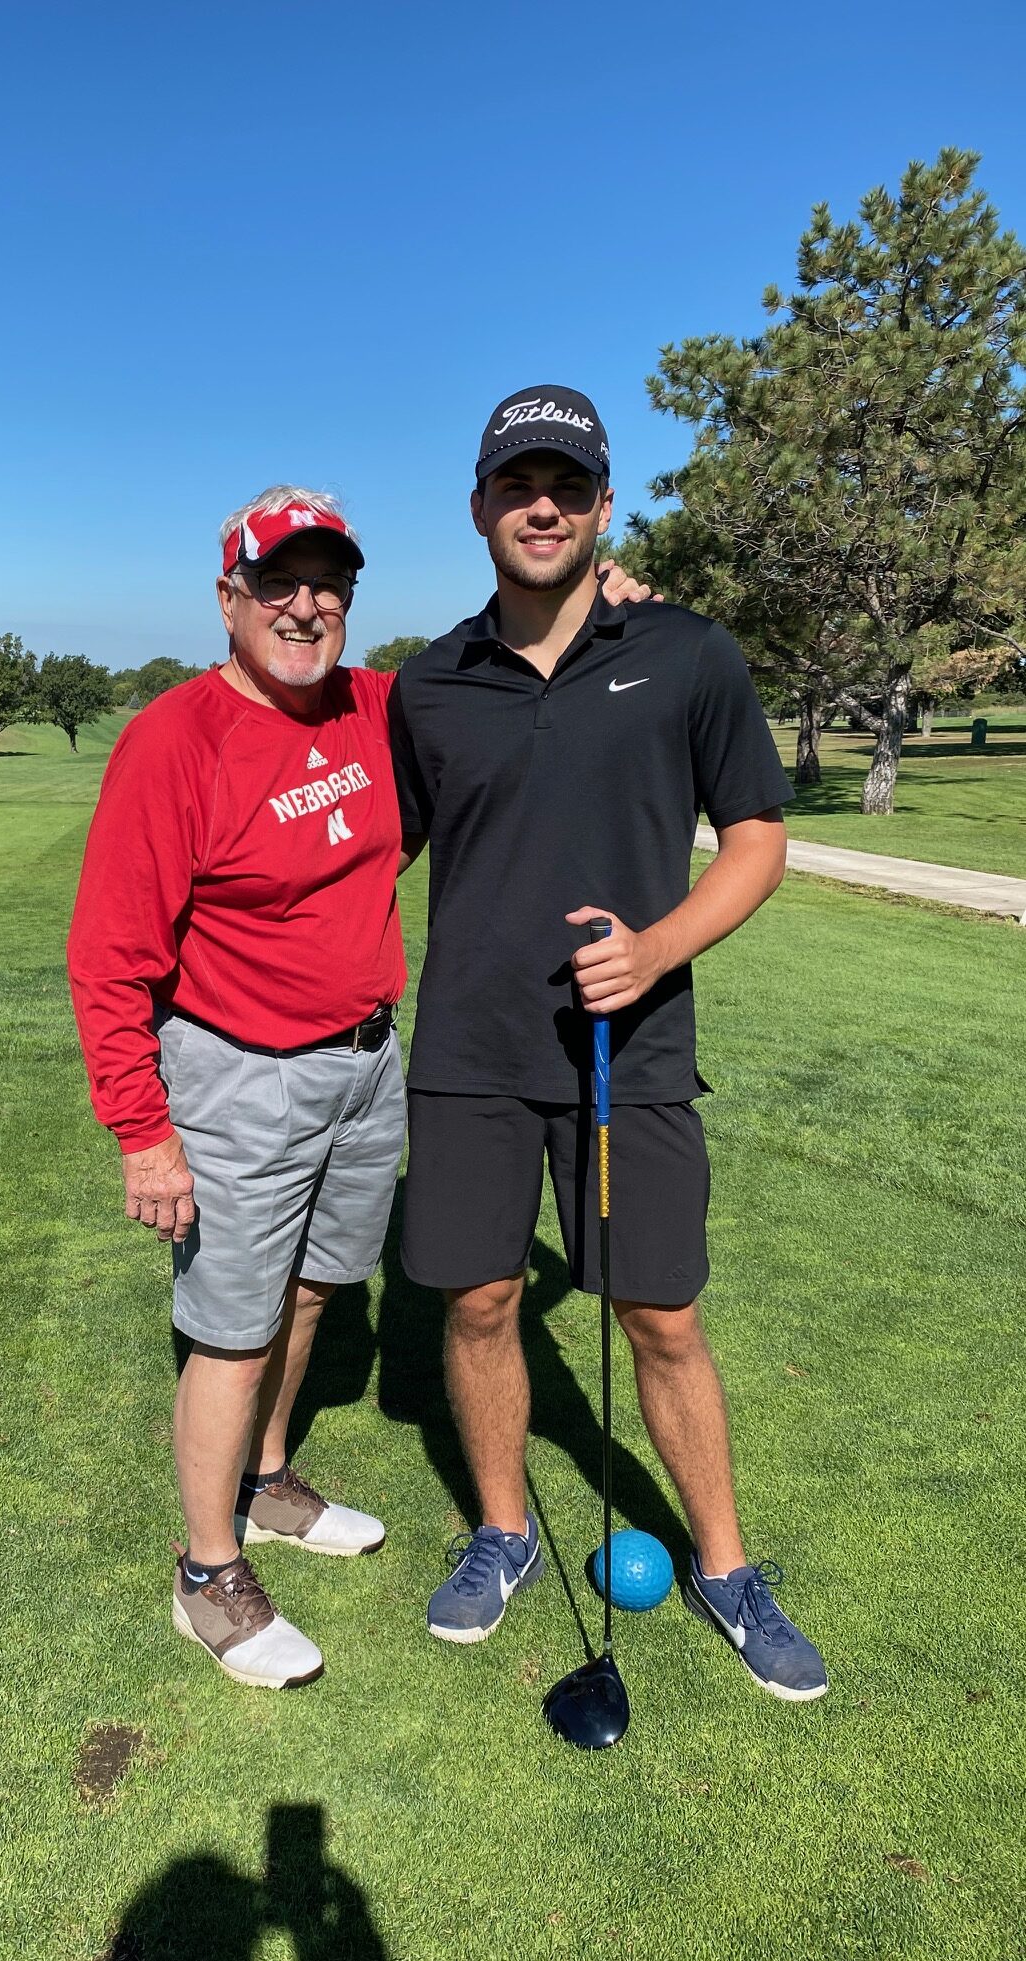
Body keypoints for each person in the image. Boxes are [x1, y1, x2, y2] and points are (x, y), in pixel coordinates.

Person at [391, 386, 828, 1701]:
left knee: (661, 1315)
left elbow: (758, 839)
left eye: (567, 488)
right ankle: (507, 1533)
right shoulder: (428, 683)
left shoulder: (686, 653)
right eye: (518, 485)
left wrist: (656, 949)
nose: (542, 507)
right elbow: (370, 846)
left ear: (601, 508)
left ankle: (729, 1569)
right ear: (479, 507)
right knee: (476, 1300)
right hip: (467, 1052)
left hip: (626, 1058)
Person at [67, 488, 405, 1688]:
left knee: (317, 1291)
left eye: (327, 585)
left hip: (369, 1062)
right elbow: (110, 954)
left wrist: (604, 602)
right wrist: (142, 1132)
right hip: (238, 1076)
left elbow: (503, 669)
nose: (304, 605)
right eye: (278, 583)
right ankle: (208, 1573)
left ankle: (266, 1489)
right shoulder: (175, 738)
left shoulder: (377, 706)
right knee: (230, 1326)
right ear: (230, 599)